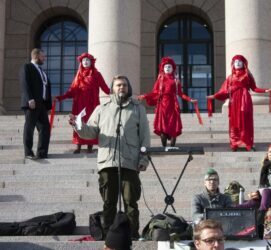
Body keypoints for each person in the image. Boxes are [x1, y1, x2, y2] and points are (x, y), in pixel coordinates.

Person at [69, 75, 150, 239]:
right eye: (118, 85)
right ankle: (108, 237)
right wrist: (78, 125)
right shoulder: (102, 108)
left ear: (128, 89)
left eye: (125, 85)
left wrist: (143, 159)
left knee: (130, 202)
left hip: (130, 162)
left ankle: (132, 235)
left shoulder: (137, 108)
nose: (122, 88)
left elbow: (145, 137)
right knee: (109, 203)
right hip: (107, 162)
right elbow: (90, 132)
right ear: (113, 88)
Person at [207, 55, 270, 151]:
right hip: (234, 102)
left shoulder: (248, 75)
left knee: (245, 121)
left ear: (244, 63)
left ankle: (247, 142)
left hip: (245, 100)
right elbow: (224, 91)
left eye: (240, 61)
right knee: (234, 122)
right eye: (235, 61)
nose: (237, 63)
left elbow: (254, 88)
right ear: (232, 64)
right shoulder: (230, 77)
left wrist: (266, 90)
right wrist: (215, 96)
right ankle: (235, 143)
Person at [55, 52, 110, 154]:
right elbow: (72, 90)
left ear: (91, 62)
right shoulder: (78, 76)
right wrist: (61, 98)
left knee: (92, 123)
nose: (85, 62)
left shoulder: (97, 75)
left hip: (92, 104)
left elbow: (105, 88)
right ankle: (78, 146)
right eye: (83, 60)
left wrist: (114, 93)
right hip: (79, 103)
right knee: (79, 122)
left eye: (87, 60)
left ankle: (90, 146)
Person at [235, 143, 271, 232]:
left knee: (266, 192)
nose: (270, 154)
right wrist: (256, 194)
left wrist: (262, 192)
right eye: (269, 152)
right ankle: (232, 209)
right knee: (252, 202)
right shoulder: (267, 167)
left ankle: (260, 220)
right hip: (269, 198)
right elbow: (262, 188)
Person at [138, 57, 197, 147]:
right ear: (163, 68)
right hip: (162, 105)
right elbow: (155, 92)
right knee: (162, 128)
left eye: (169, 67)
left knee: (173, 126)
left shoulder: (176, 81)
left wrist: (190, 99)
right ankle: (164, 146)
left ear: (173, 69)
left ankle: (172, 146)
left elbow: (180, 94)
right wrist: (145, 96)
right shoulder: (160, 80)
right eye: (166, 67)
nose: (167, 68)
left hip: (173, 105)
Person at [20, 48, 52, 160]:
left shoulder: (42, 71)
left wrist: (48, 104)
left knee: (45, 128)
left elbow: (45, 87)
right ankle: (28, 152)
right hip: (32, 103)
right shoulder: (27, 67)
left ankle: (42, 153)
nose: (44, 58)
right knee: (29, 127)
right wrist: (30, 99)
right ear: (36, 56)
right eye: (43, 56)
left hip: (42, 104)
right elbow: (25, 84)